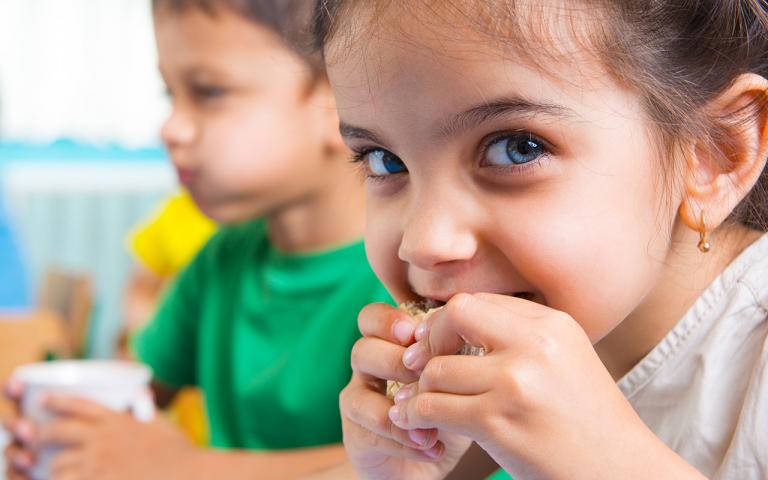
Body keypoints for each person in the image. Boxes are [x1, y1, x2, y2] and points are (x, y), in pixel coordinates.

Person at [312, 1, 768, 479]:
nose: (424, 242)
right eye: (384, 160)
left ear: (716, 153)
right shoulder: (486, 404)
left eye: (516, 147)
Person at [4, 0, 390, 478]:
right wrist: (54, 428)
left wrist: (183, 467)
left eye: (208, 92)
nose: (171, 128)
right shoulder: (222, 257)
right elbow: (134, 387)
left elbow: (412, 467)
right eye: (170, 94)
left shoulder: (407, 275)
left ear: (341, 99)